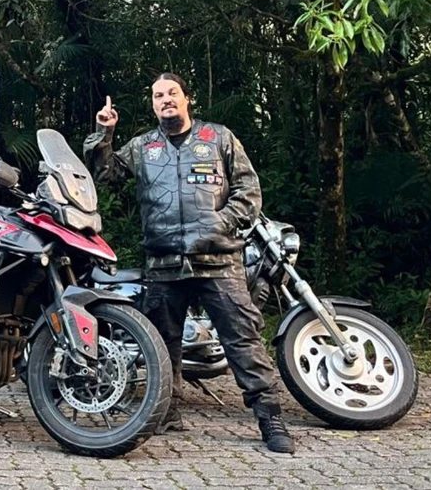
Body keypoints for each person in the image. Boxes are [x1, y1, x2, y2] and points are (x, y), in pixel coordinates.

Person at [83, 72, 294, 454]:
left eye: (171, 93)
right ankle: (167, 412)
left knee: (242, 339)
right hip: (163, 262)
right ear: (153, 104)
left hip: (218, 259)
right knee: (162, 345)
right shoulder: (143, 146)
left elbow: (249, 192)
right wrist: (104, 134)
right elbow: (105, 174)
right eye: (157, 95)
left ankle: (270, 417)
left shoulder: (218, 138)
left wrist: (221, 222)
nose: (165, 100)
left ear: (186, 99)